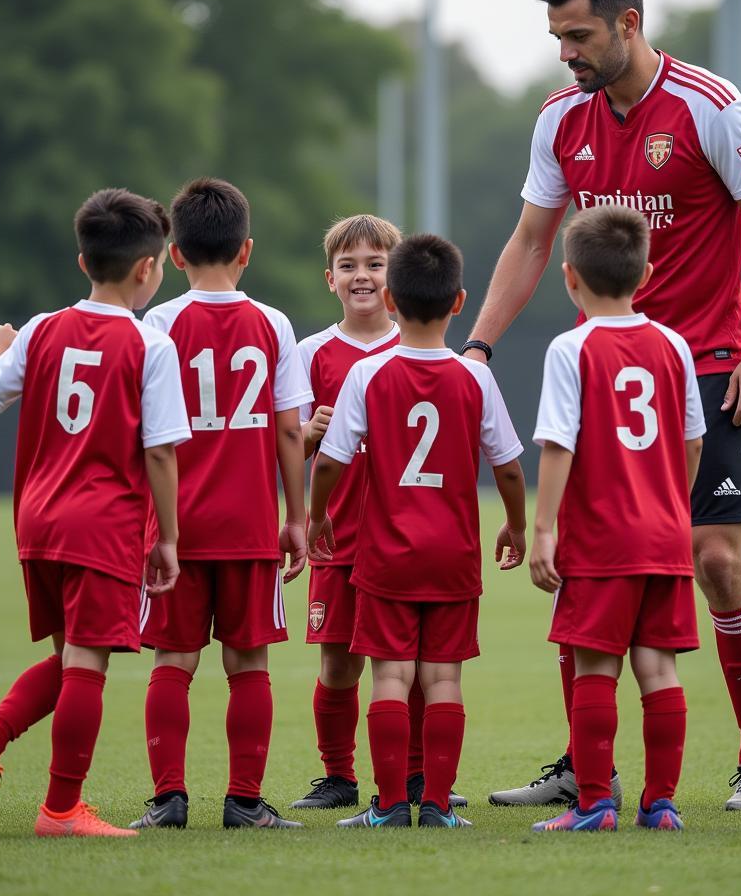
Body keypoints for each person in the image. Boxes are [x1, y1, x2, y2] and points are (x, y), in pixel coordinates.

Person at [470, 0, 741, 810]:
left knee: (719, 557)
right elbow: (532, 241)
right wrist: (477, 349)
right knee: (587, 565)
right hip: (605, 373)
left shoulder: (711, 108)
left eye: (578, 35)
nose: (565, 53)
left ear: (628, 23)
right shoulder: (559, 120)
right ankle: (590, 770)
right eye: (556, 37)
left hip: (711, 364)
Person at [0, 188, 190, 837]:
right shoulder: (150, 346)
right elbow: (162, 455)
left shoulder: (42, 330)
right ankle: (61, 809)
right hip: (104, 524)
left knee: (71, 657)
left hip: (38, 520)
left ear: (84, 262)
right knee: (89, 663)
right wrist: (166, 539)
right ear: (148, 269)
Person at [307, 234, 527, 828]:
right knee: (443, 679)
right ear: (459, 303)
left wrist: (318, 512)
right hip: (455, 555)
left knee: (391, 676)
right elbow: (507, 464)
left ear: (391, 299)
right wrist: (515, 523)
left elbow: (330, 460)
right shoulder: (474, 377)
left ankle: (387, 806)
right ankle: (436, 805)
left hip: (385, 556)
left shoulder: (368, 374)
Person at [132, 178, 312, 830]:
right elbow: (290, 429)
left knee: (173, 660)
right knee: (249, 663)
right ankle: (243, 801)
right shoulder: (273, 323)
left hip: (174, 524)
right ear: (247, 251)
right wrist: (296, 517)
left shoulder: (156, 323)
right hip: (249, 524)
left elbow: (145, 431)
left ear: (175, 254)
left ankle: (168, 799)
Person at [527, 207, 704, 833]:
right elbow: (691, 440)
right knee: (659, 669)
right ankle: (661, 805)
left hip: (602, 539)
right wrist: (671, 503)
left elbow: (558, 443)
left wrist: (543, 526)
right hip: (665, 534)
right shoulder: (675, 345)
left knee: (595, 668)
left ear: (568, 277)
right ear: (648, 273)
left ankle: (596, 804)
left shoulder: (572, 347)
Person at [291, 216, 466, 812]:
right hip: (337, 536)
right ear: (330, 279)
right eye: (348, 265)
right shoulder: (310, 353)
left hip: (408, 539)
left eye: (374, 264)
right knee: (338, 660)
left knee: (415, 667)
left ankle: (418, 778)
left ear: (397, 280)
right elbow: (284, 446)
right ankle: (338, 776)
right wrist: (306, 436)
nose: (361, 276)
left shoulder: (420, 346)